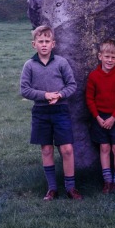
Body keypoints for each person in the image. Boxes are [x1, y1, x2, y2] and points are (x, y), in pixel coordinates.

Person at [20, 24, 82, 200]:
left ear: (53, 44)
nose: (44, 44)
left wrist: (60, 95)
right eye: (41, 41)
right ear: (34, 45)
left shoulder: (61, 63)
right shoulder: (29, 65)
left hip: (60, 110)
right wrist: (45, 95)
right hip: (40, 112)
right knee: (46, 149)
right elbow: (25, 90)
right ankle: (52, 188)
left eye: (48, 41)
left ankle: (71, 187)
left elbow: (72, 85)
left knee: (67, 149)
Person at [85, 38, 115, 194]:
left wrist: (113, 118)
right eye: (107, 56)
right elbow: (89, 98)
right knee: (104, 147)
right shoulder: (94, 76)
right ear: (100, 56)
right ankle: (107, 180)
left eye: (113, 57)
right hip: (99, 118)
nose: (109, 60)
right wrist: (97, 117)